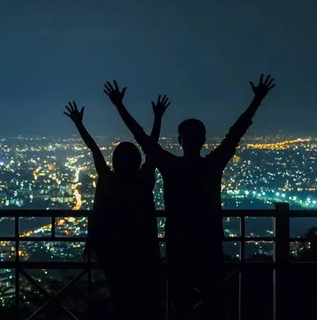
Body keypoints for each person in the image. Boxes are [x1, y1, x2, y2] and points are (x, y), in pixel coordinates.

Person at [105, 75, 275, 320]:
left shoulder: (171, 167)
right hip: (209, 246)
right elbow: (235, 133)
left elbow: (141, 138)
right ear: (204, 141)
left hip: (179, 247)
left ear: (179, 141)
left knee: (182, 307)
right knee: (214, 306)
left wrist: (119, 105)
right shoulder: (212, 166)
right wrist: (257, 100)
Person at [63, 96, 169, 320]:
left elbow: (94, 150)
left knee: (121, 302)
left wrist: (79, 124)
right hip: (144, 251)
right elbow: (152, 149)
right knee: (146, 304)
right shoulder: (142, 180)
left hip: (116, 252)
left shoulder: (109, 181)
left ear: (116, 161)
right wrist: (158, 118)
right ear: (137, 161)